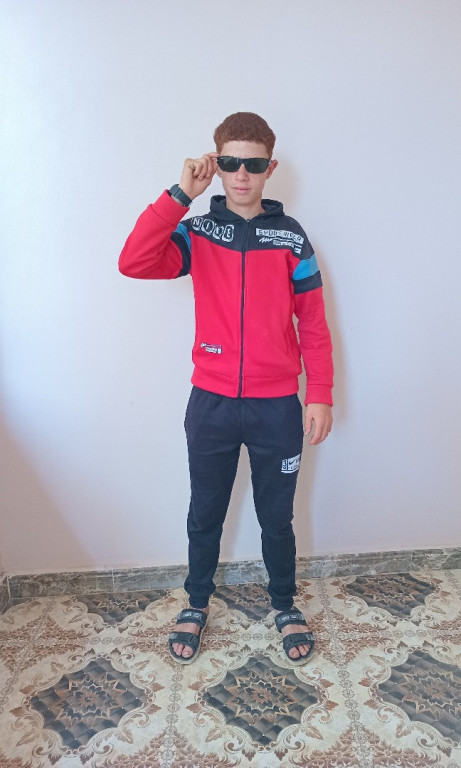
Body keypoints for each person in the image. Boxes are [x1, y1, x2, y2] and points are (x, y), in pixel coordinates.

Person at [119, 112, 333, 666]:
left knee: (276, 517)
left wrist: (319, 393)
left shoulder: (290, 237)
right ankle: (196, 602)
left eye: (253, 164)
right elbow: (134, 262)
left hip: (276, 407)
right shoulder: (197, 232)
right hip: (210, 403)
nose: (241, 174)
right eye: (231, 162)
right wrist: (179, 196)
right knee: (205, 511)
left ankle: (284, 603)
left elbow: (312, 321)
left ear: (270, 168)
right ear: (216, 164)